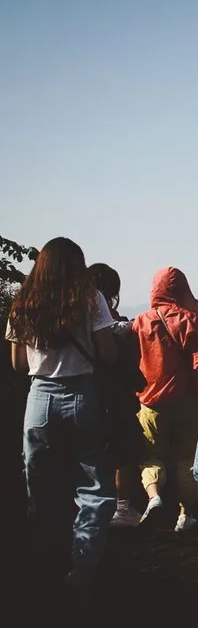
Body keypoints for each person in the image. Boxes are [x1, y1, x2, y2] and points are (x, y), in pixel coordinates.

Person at [5, 237, 118, 601]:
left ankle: (45, 563)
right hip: (82, 395)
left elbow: (18, 365)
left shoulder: (23, 303)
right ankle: (82, 568)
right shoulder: (91, 299)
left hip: (39, 400)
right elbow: (106, 353)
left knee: (40, 487)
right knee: (93, 489)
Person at [132, 267, 198, 533]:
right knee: (185, 459)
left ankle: (154, 497)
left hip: (150, 401)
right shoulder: (190, 319)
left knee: (152, 455)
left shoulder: (141, 322)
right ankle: (185, 516)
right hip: (185, 400)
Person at [88, 263, 147, 528]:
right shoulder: (118, 326)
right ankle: (122, 507)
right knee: (124, 452)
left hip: (85, 395)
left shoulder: (73, 321)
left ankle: (89, 506)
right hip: (118, 398)